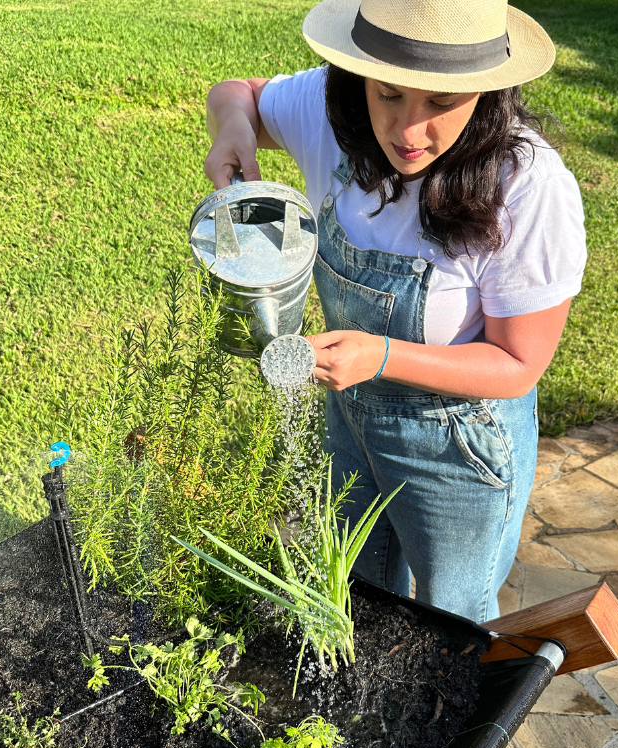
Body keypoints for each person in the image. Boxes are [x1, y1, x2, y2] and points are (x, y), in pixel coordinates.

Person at [203, 0, 586, 623]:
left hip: (458, 447)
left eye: (440, 103)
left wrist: (380, 356)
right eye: (388, 95)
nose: (408, 130)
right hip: (350, 420)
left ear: (486, 92)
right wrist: (234, 131)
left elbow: (518, 364)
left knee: (451, 625)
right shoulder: (331, 112)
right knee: (353, 601)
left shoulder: (527, 185)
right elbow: (237, 93)